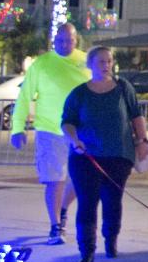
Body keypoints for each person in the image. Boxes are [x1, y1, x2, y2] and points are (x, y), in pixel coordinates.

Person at [61, 46, 148, 262]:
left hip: (118, 155)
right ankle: (87, 251)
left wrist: (142, 141)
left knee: (112, 200)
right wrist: (74, 140)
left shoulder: (123, 88)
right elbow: (67, 121)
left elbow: (136, 115)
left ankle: (111, 241)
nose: (106, 65)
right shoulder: (79, 94)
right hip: (86, 157)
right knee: (87, 202)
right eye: (101, 61)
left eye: (109, 61)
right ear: (90, 65)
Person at [11, 23, 90, 245]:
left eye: (70, 40)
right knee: (55, 180)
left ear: (76, 40)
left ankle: (63, 208)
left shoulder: (86, 61)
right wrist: (18, 128)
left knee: (80, 179)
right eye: (61, 40)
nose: (65, 44)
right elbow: (25, 96)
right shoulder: (42, 64)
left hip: (79, 133)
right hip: (50, 130)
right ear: (54, 41)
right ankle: (55, 225)